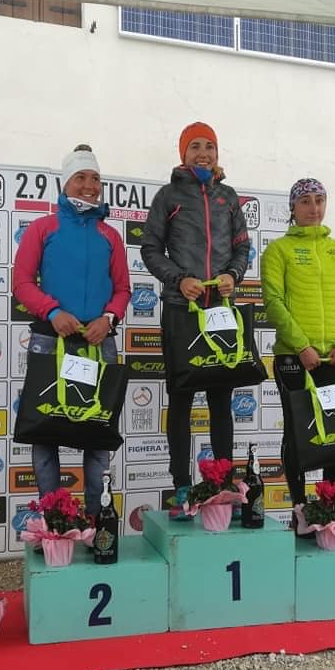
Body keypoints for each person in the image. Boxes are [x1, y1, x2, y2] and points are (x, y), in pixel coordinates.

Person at [12, 144, 131, 516]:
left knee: (97, 433)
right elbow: (22, 282)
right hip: (51, 340)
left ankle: (97, 522)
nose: (90, 185)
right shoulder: (42, 228)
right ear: (65, 183)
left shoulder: (110, 235)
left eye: (95, 178)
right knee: (45, 431)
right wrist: (52, 312)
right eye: (81, 177)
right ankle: (54, 521)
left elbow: (123, 289)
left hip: (99, 342)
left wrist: (108, 318)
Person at [140, 122, 251, 516]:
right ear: (183, 153)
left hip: (219, 311)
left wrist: (232, 275)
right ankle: (182, 485)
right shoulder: (168, 195)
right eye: (195, 147)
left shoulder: (228, 197)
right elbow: (150, 249)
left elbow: (242, 248)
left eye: (210, 147)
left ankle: (223, 482)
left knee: (221, 400)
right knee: (182, 399)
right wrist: (179, 279)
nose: (203, 153)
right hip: (181, 309)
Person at [261, 178, 335, 521]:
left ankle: (331, 505)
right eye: (305, 201)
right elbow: (273, 302)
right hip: (295, 358)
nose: (314, 208)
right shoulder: (279, 250)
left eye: (319, 200)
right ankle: (299, 508)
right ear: (292, 207)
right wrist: (301, 345)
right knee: (297, 431)